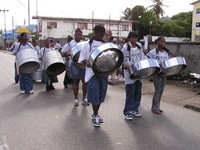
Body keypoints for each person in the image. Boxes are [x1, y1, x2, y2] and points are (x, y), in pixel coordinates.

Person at [78, 24, 107, 127]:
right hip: (92, 74)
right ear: (95, 33)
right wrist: (88, 62)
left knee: (100, 95)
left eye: (103, 34)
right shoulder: (87, 45)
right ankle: (95, 115)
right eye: (100, 34)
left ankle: (96, 113)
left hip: (103, 73)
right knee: (94, 94)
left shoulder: (105, 45)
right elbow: (82, 58)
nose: (102, 35)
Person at [122, 31, 146, 120]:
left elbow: (142, 58)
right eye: (133, 37)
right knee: (130, 93)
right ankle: (127, 111)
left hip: (139, 72)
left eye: (136, 37)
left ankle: (135, 109)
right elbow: (122, 60)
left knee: (138, 92)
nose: (134, 39)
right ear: (129, 38)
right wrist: (124, 65)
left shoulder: (139, 46)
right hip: (130, 74)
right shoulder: (125, 48)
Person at [61, 28, 89, 106]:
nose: (79, 36)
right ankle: (76, 99)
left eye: (80, 34)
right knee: (75, 82)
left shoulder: (84, 44)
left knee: (85, 82)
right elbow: (62, 53)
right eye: (77, 34)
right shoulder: (70, 44)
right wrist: (68, 54)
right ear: (74, 35)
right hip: (74, 65)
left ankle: (84, 98)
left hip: (83, 65)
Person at [147, 36, 169, 114]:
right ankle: (154, 108)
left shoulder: (166, 52)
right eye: (161, 41)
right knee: (157, 90)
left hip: (164, 73)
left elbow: (167, 62)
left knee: (161, 90)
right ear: (157, 42)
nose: (163, 43)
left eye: (164, 42)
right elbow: (147, 59)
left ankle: (158, 106)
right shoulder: (152, 52)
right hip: (157, 73)